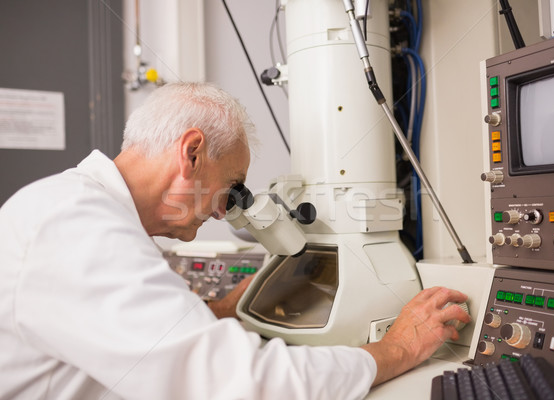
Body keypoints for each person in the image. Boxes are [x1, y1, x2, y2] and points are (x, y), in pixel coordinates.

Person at [0, 82, 470, 399]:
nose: (224, 210)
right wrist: (396, 350)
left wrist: (216, 314)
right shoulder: (76, 223)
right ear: (192, 153)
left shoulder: (82, 212)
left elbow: (118, 333)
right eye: (233, 186)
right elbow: (239, 383)